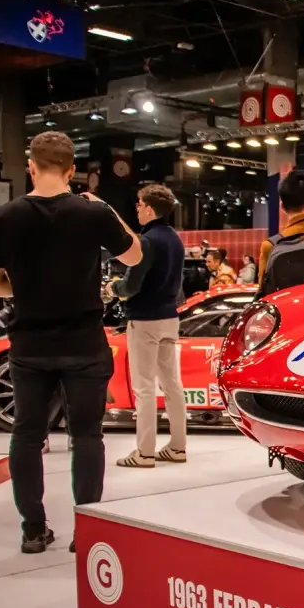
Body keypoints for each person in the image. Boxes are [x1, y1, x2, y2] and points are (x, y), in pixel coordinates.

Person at [0, 130, 143, 554]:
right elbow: (135, 255)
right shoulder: (92, 212)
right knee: (86, 436)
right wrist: (106, 207)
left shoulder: (3, 217)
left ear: (31, 166)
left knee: (26, 435)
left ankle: (33, 528)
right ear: (73, 171)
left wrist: (26, 289)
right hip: (84, 344)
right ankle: (86, 528)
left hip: (29, 346)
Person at [110, 184, 188, 469]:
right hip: (169, 317)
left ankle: (144, 452)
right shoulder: (175, 239)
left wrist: (113, 288)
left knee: (144, 389)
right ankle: (177, 447)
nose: (137, 209)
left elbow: (131, 285)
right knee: (172, 385)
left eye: (140, 205)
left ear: (150, 209)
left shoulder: (147, 241)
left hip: (144, 319)